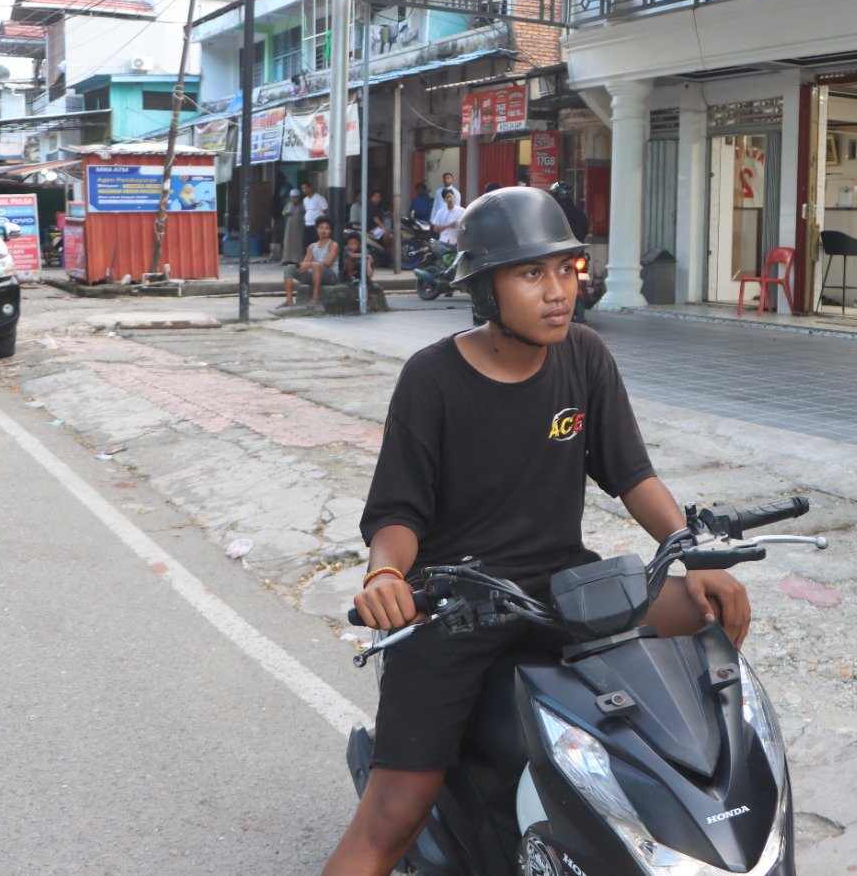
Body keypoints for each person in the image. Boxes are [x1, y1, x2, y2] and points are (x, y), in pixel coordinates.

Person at [321, 187, 750, 875]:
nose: (557, 292)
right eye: (530, 274)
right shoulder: (431, 380)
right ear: (485, 290)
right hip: (452, 611)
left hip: (563, 592)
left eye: (566, 271)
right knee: (394, 817)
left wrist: (695, 553)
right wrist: (385, 576)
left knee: (710, 605)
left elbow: (632, 475)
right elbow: (397, 513)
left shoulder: (584, 358)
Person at [280, 218, 340, 308]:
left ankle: (316, 298)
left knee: (316, 265)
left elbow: (328, 262)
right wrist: (299, 265)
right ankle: (289, 300)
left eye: (327, 228)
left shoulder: (333, 245)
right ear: (317, 229)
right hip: (315, 273)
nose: (324, 230)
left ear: (330, 231)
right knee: (289, 268)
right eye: (321, 228)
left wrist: (310, 264)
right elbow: (305, 263)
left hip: (330, 276)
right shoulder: (312, 246)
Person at [429, 187, 464, 252]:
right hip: (443, 242)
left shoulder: (462, 211)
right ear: (444, 200)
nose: (449, 199)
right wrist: (448, 226)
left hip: (457, 242)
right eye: (447, 197)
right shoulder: (440, 212)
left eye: (450, 196)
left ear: (453, 197)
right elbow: (435, 229)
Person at [281, 189, 306, 265]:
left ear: (299, 197)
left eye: (295, 197)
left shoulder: (303, 204)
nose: (294, 199)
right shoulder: (289, 204)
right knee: (288, 242)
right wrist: (287, 212)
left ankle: (298, 260)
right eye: (292, 197)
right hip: (289, 227)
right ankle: (287, 259)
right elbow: (283, 212)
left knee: (298, 243)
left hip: (299, 227)